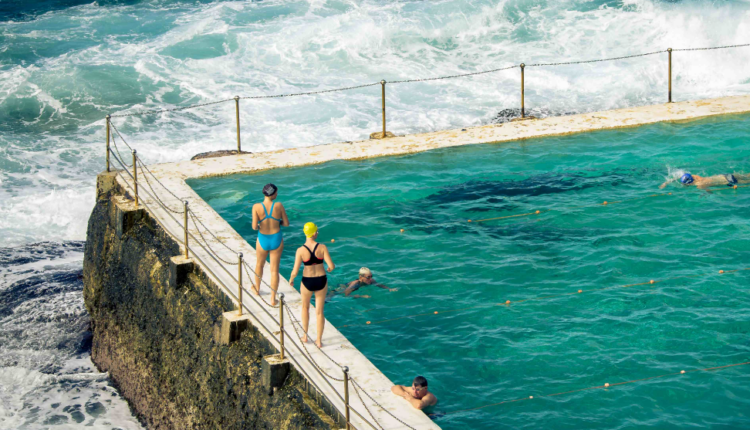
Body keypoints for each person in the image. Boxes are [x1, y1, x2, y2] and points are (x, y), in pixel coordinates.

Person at [289, 222, 335, 348]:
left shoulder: (300, 250)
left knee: (305, 308)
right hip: (321, 280)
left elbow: (295, 271)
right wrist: (329, 269)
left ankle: (305, 336)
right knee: (319, 312)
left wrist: (291, 280)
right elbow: (331, 266)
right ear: (314, 233)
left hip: (307, 281)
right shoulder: (322, 247)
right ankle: (319, 341)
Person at [252, 183, 289, 306]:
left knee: (259, 265)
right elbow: (286, 223)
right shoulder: (279, 206)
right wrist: (277, 222)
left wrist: (260, 225)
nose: (277, 194)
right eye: (276, 193)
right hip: (276, 239)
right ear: (272, 194)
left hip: (262, 238)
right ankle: (273, 299)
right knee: (274, 270)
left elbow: (254, 227)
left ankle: (257, 289)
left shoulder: (256, 207)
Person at [327, 267, 397, 299]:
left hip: (349, 288)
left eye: (371, 276)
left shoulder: (371, 280)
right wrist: (361, 296)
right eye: (368, 277)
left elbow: (379, 285)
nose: (370, 279)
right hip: (338, 290)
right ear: (361, 277)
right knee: (327, 300)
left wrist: (389, 289)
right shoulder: (355, 284)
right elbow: (346, 294)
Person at [659, 172, 750, 190]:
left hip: (729, 181)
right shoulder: (695, 176)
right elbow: (680, 176)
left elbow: (709, 192)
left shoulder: (700, 185)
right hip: (725, 175)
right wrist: (666, 182)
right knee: (746, 175)